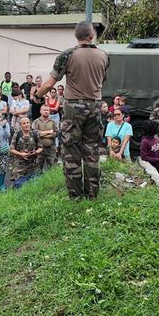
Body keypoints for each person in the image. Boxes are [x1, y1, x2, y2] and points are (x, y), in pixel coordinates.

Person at [32, 21, 109, 199]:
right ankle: (92, 194)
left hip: (74, 107)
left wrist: (37, 96)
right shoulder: (104, 55)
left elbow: (50, 83)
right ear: (92, 36)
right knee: (92, 150)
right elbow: (102, 81)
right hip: (95, 105)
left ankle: (75, 196)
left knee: (71, 151)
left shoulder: (67, 55)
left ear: (76, 36)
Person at [10, 117, 42, 186]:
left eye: (28, 123)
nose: (26, 124)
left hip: (33, 165)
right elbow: (12, 149)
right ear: (21, 125)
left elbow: (40, 148)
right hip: (20, 165)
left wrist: (35, 152)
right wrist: (21, 154)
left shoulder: (34, 134)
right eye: (24, 123)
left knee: (33, 184)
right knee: (18, 184)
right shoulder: (17, 134)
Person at [33, 105, 58, 171]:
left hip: (51, 149)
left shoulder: (53, 122)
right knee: (37, 170)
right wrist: (49, 132)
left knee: (53, 169)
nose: (46, 111)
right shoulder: (36, 122)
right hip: (39, 149)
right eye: (44, 110)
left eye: (47, 110)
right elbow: (35, 134)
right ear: (40, 111)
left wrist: (42, 134)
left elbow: (56, 133)